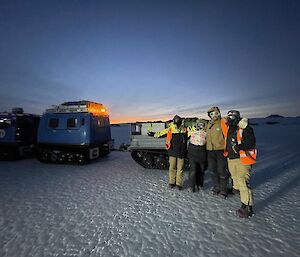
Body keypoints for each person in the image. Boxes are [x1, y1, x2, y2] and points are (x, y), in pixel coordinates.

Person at [221, 110, 257, 218]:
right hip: (231, 158)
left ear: (238, 117)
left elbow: (251, 142)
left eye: (233, 117)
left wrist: (239, 147)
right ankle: (236, 190)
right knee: (234, 177)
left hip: (243, 159)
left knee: (243, 182)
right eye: (229, 116)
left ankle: (247, 206)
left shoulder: (245, 128)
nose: (231, 118)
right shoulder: (229, 128)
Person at [154, 115, 187, 190]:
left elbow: (191, 132)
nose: (177, 121)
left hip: (181, 152)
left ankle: (179, 184)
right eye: (175, 120)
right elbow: (162, 132)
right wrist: (155, 134)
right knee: (172, 168)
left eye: (178, 120)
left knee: (180, 169)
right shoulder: (171, 128)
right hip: (172, 151)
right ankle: (172, 182)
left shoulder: (184, 129)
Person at [206, 106, 228, 198]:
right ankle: (217, 187)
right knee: (212, 170)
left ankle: (223, 190)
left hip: (220, 150)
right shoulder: (208, 124)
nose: (213, 115)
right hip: (210, 151)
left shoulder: (222, 122)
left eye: (215, 113)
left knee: (221, 170)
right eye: (211, 114)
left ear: (218, 113)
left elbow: (228, 134)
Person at [187, 118, 208, 192]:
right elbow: (185, 135)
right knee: (193, 170)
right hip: (193, 151)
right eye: (199, 124)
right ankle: (191, 186)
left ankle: (199, 183)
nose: (200, 125)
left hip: (202, 152)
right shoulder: (192, 131)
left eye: (202, 124)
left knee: (202, 169)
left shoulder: (206, 132)